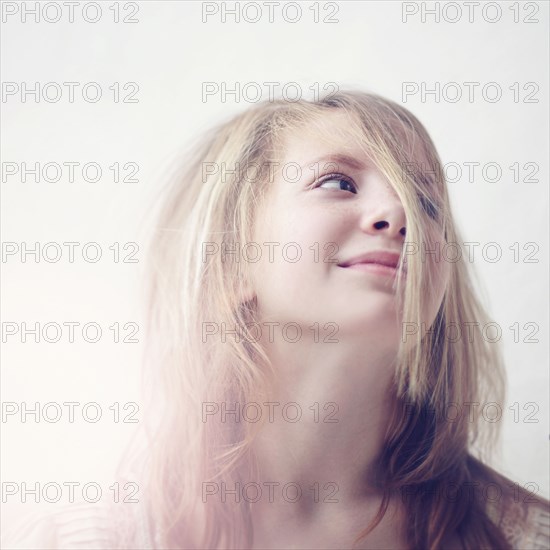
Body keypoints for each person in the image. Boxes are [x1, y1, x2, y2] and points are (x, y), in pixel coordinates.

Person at [3, 90, 549, 549]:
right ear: (233, 261)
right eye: (338, 182)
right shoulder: (87, 533)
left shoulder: (521, 535)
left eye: (427, 204)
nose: (400, 213)